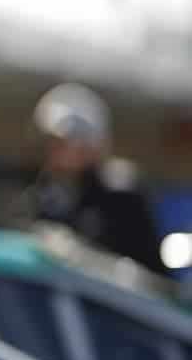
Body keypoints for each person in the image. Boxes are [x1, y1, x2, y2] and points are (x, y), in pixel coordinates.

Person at [27, 82, 166, 275]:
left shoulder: (120, 194)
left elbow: (145, 272)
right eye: (52, 143)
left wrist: (80, 255)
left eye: (64, 143)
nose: (55, 152)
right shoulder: (45, 193)